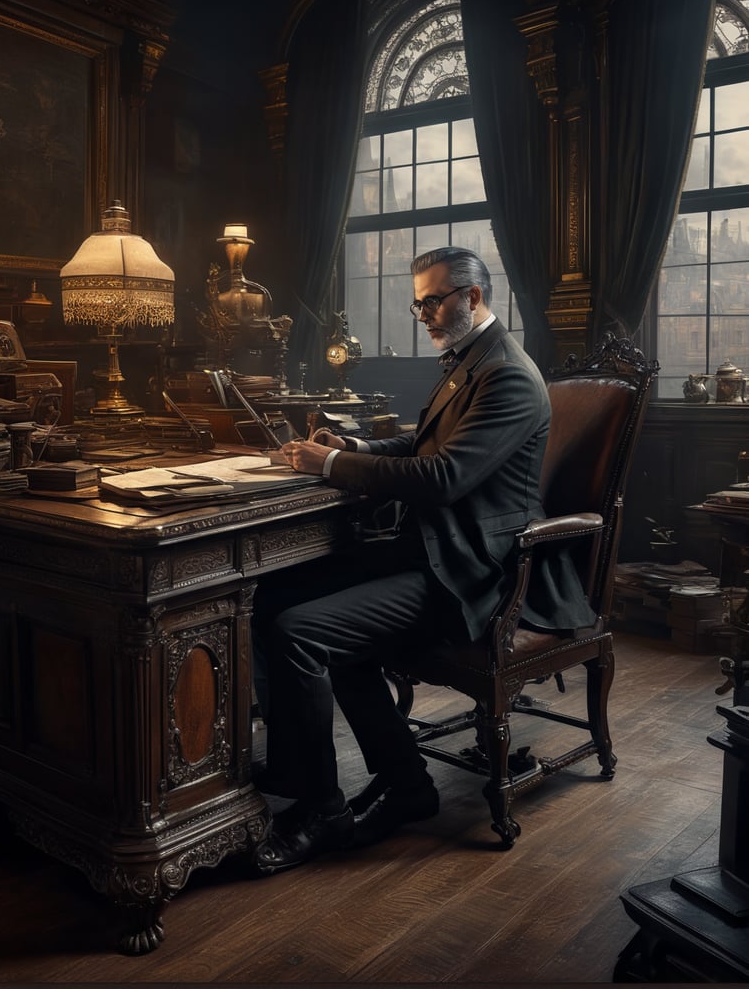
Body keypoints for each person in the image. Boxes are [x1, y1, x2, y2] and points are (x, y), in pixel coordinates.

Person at [250, 245, 595, 875]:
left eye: (433, 300)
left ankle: (321, 809)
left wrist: (327, 465)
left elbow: (443, 476)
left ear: (472, 296)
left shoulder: (508, 374)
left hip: (477, 570)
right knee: (272, 596)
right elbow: (425, 440)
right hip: (431, 551)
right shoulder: (471, 359)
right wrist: (351, 445)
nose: (424, 313)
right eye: (419, 302)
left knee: (299, 632)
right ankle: (397, 782)